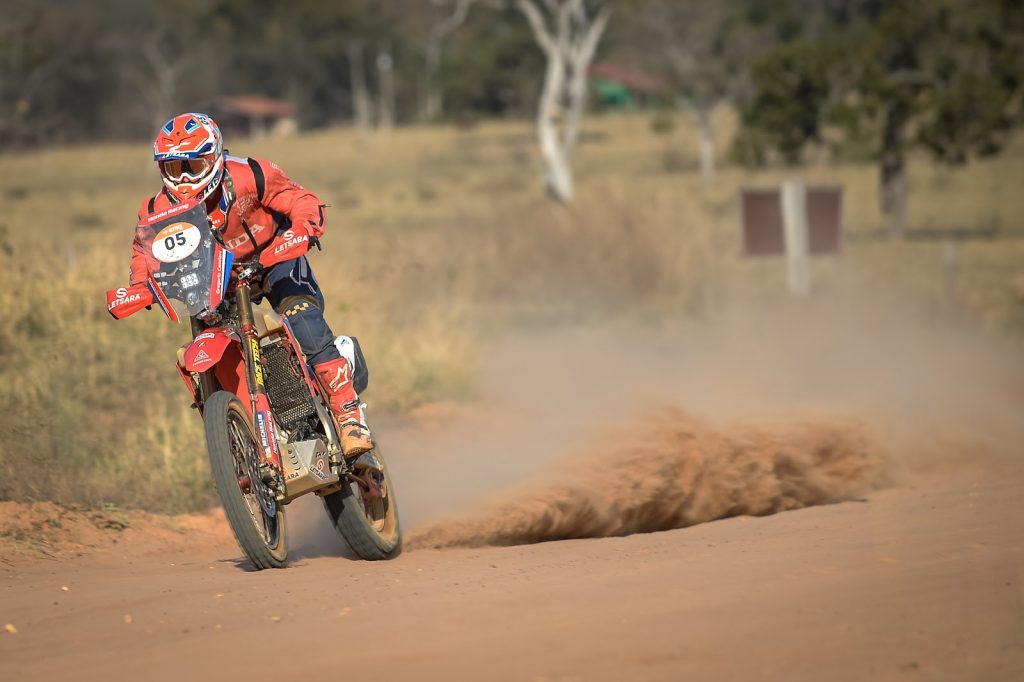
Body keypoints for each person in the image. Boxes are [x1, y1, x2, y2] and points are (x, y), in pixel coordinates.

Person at [128, 112, 373, 457]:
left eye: (192, 167)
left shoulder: (250, 174)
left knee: (302, 318)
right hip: (218, 282)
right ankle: (245, 441)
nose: (183, 178)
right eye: (173, 168)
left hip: (273, 256)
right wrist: (139, 286)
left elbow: (300, 199)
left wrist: (302, 228)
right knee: (206, 347)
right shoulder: (156, 209)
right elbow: (145, 253)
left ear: (213, 158)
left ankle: (348, 416)